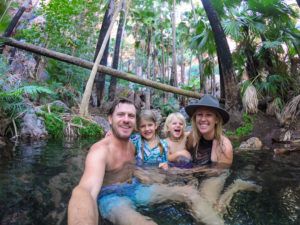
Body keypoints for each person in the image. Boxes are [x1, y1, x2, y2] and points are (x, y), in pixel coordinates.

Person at [68, 98, 138, 225]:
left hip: (133, 188)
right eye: (121, 115)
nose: (126, 120)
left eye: (131, 116)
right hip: (111, 198)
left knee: (183, 193)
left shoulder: (132, 146)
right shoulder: (100, 151)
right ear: (110, 119)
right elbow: (86, 190)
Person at [184, 94, 233, 166]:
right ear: (195, 118)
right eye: (200, 114)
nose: (203, 119)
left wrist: (188, 172)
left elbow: (220, 175)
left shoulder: (224, 146)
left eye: (209, 115)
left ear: (216, 120)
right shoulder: (192, 137)